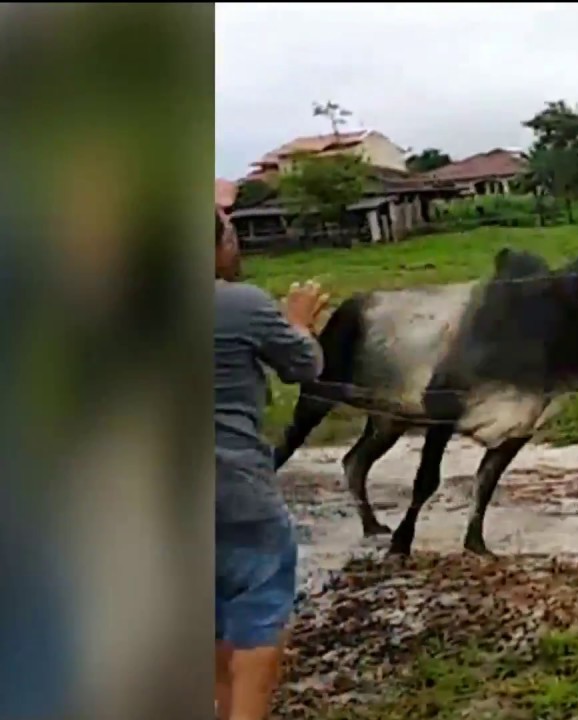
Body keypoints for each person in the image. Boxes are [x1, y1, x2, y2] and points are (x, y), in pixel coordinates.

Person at [214, 209, 328, 720]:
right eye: (233, 234)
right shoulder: (240, 303)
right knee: (258, 613)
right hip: (235, 488)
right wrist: (298, 324)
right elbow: (304, 366)